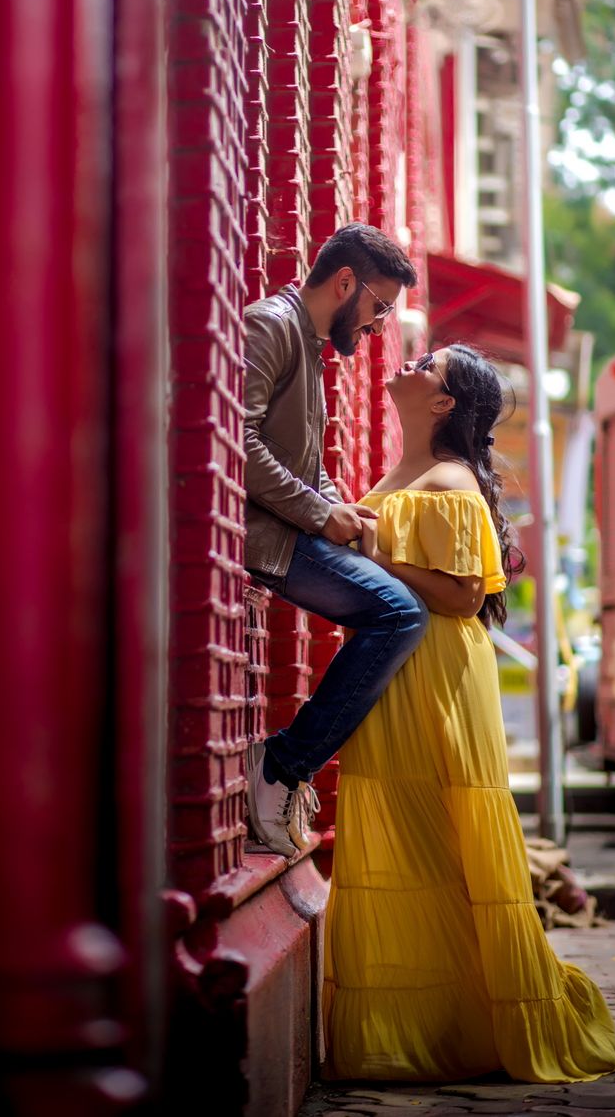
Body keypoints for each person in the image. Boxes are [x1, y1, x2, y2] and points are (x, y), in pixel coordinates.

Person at [322, 344, 615, 1082]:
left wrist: (374, 555)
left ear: (445, 402)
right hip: (399, 665)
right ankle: (429, 1021)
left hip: (436, 671)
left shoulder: (450, 483)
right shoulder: (406, 473)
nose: (410, 361)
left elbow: (460, 595)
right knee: (413, 839)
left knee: (444, 835)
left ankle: (463, 1021)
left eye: (427, 363)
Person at [244, 224, 428, 857]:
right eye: (380, 306)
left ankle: (287, 767)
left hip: (289, 527)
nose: (379, 325)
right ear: (346, 282)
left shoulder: (308, 339)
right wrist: (320, 517)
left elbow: (302, 457)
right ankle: (282, 767)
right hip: (265, 534)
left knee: (398, 602)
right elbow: (235, 443)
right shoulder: (271, 325)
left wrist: (336, 507)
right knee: (401, 614)